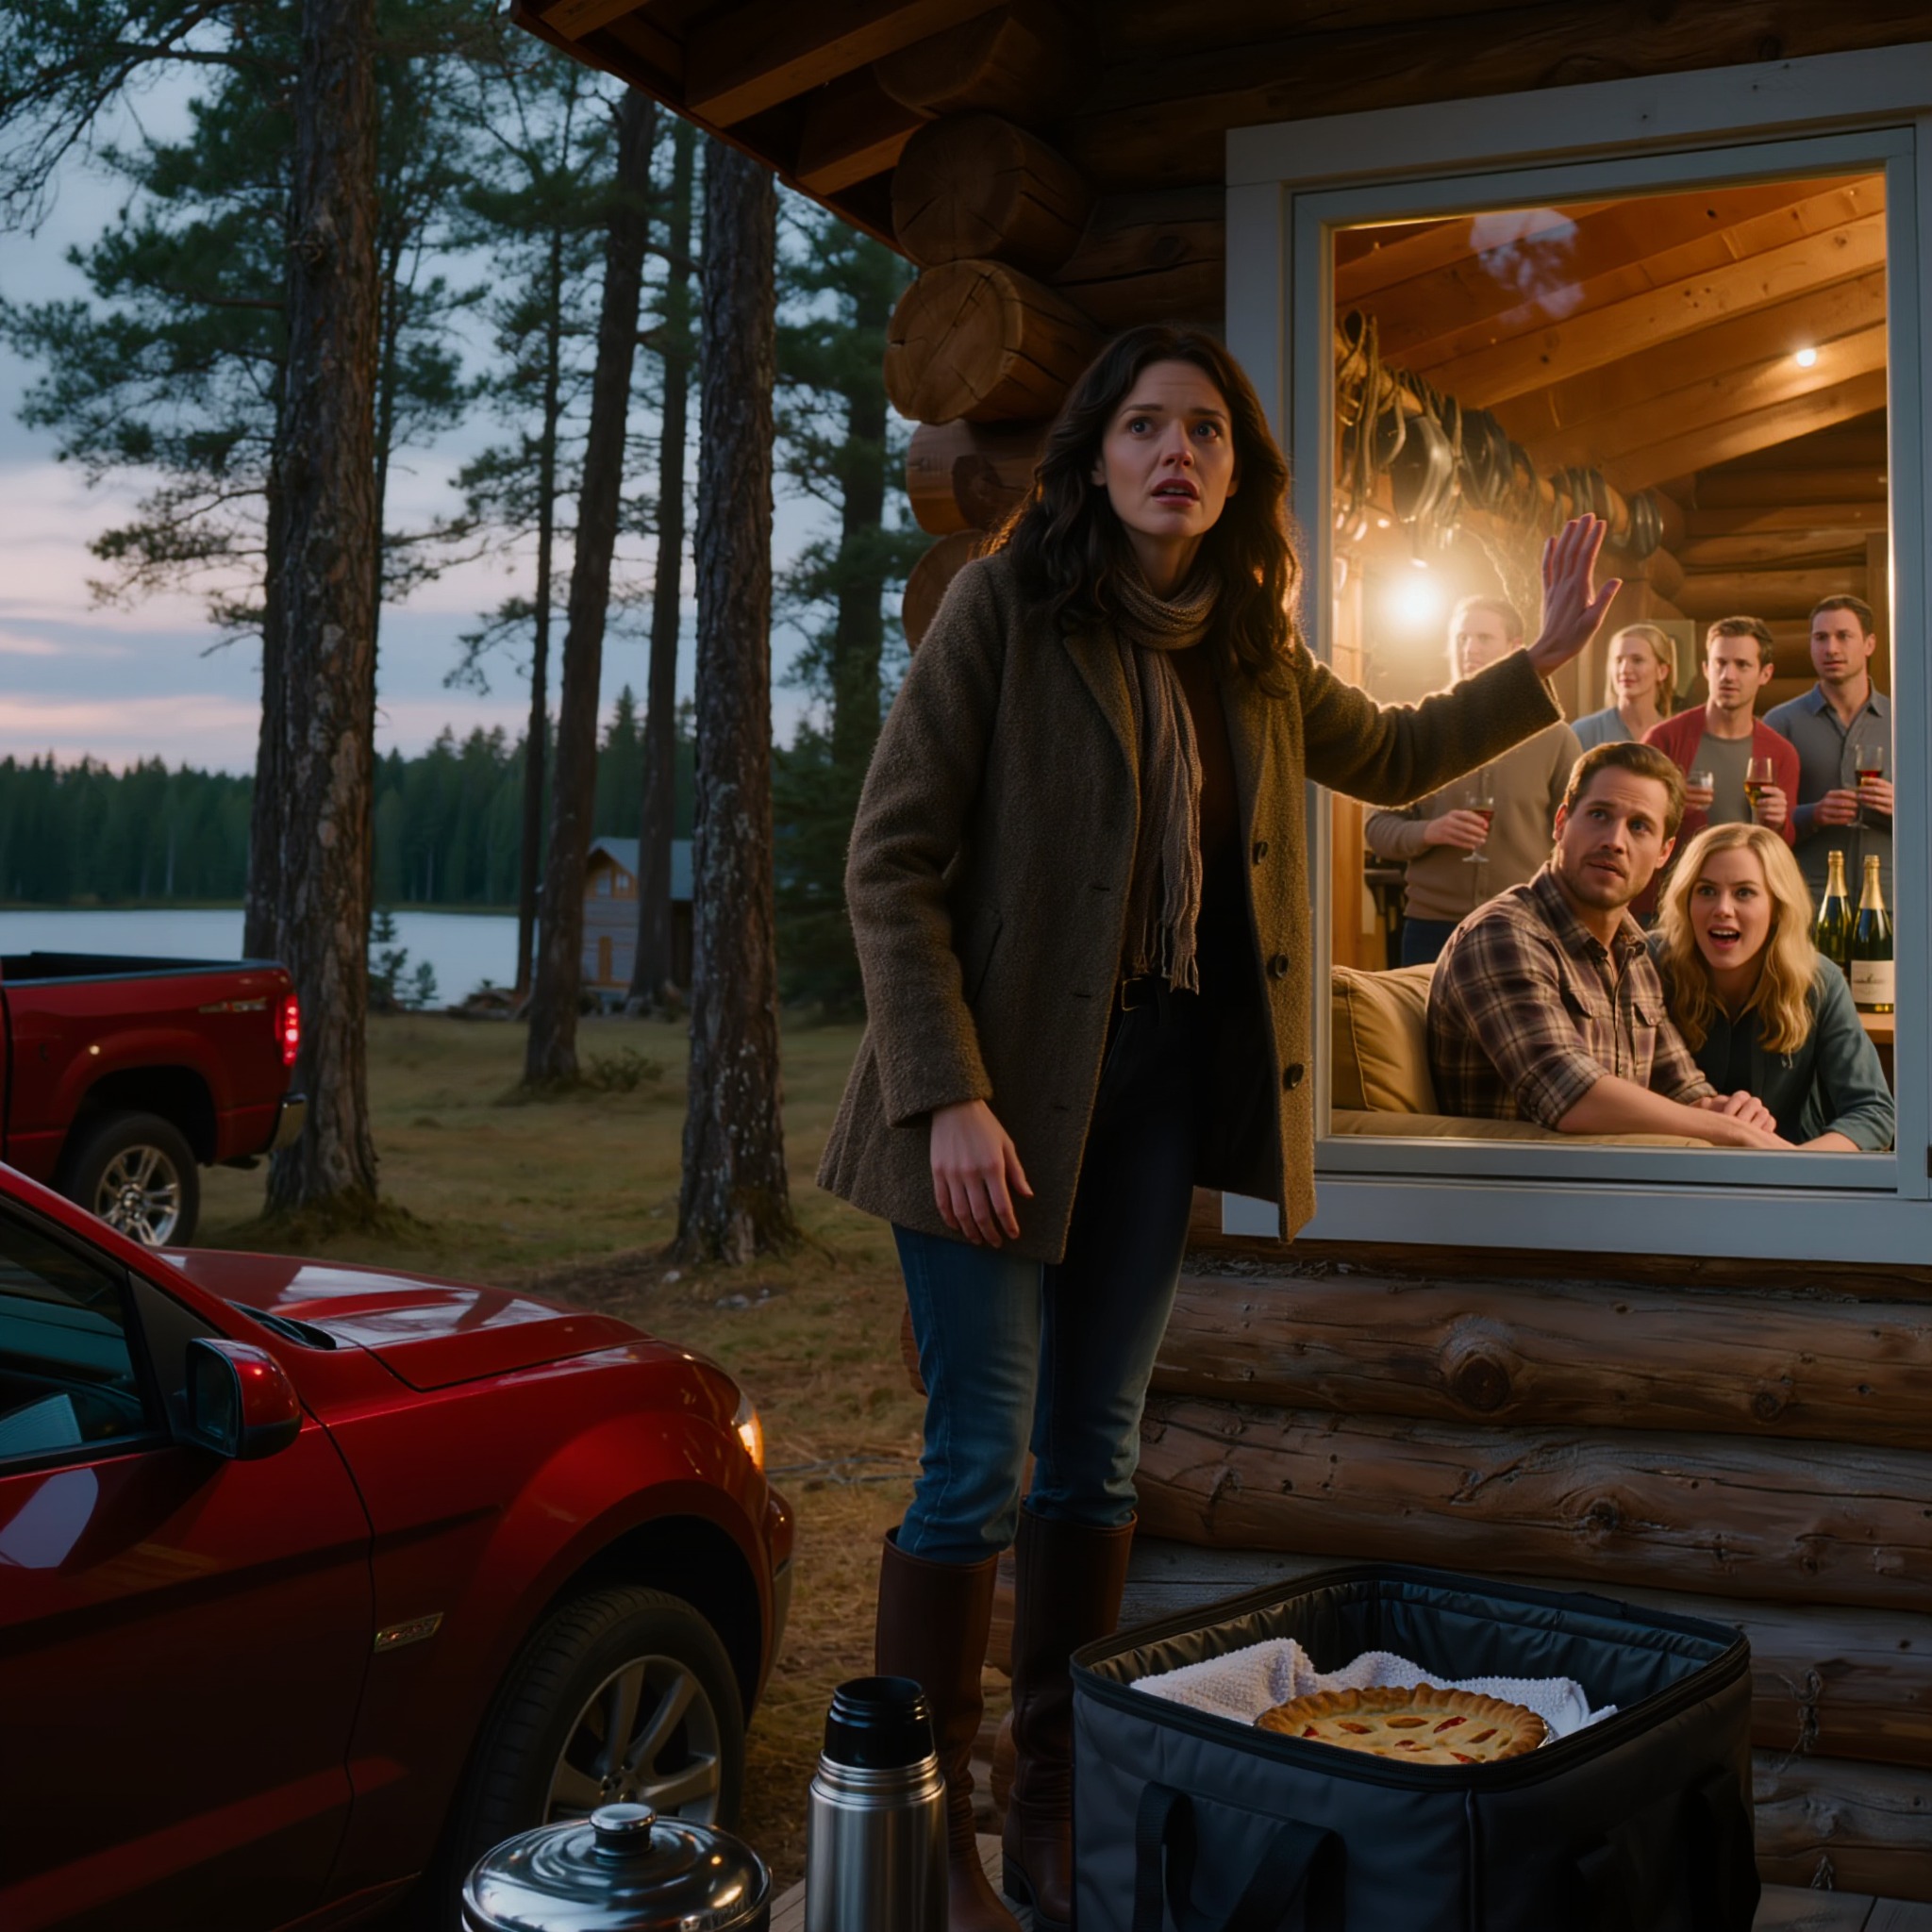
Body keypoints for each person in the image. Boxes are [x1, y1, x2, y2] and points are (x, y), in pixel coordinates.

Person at [819, 323, 1620, 1932]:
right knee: (976, 1461)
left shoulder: (1245, 647)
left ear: (1234, 472)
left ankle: (1047, 1811)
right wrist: (947, 1092)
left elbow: (1385, 751)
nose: (1171, 452)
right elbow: (888, 864)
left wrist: (1538, 657)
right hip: (986, 1109)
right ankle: (930, 1844)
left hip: (1151, 1111)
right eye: (1140, 426)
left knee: (1092, 1459)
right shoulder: (1004, 607)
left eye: (1202, 431)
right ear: (1092, 457)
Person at [1427, 740, 1786, 1146]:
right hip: (1521, 1196)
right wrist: (1728, 1131)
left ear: (1664, 852)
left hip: (1613, 1189)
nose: (1615, 840)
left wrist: (1730, 1112)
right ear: (1561, 821)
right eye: (1599, 815)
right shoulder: (1503, 935)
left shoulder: (1632, 949)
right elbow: (1570, 1094)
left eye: (1639, 827)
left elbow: (1683, 1089)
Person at [1364, 595, 1582, 965]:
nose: (1470, 648)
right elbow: (1376, 827)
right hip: (1430, 928)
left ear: (1516, 650)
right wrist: (1429, 832)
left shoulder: (1556, 738)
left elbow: (1576, 833)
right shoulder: (1422, 727)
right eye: (1462, 638)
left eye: (1483, 638)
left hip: (1521, 924)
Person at [1653, 823, 1893, 1151]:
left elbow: (1873, 1112)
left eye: (1744, 893)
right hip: (1674, 1169)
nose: (1722, 908)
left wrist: (1793, 1166)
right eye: (1706, 890)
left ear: (1778, 907)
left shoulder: (1819, 980)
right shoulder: (1650, 965)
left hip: (1791, 1176)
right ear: (1686, 900)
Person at [1765, 593, 1893, 901]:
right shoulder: (1781, 723)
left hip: (1890, 898)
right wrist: (1814, 814)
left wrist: (1904, 809)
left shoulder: (1905, 723)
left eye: (1843, 636)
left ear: (1869, 644)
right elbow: (1757, 819)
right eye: (1820, 638)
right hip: (1806, 899)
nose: (1831, 648)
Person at [1643, 615, 1799, 848]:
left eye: (1742, 665)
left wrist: (1777, 823)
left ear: (1765, 674)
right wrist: (1671, 806)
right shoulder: (1663, 740)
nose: (1728, 676)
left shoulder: (1781, 753)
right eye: (1720, 663)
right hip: (1677, 881)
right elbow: (1636, 821)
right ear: (1706, 669)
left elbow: (1785, 844)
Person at [1571, 621, 1677, 750]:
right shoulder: (1584, 732)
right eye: (1618, 661)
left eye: (1637, 660)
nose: (1624, 669)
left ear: (1662, 671)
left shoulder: (1675, 736)